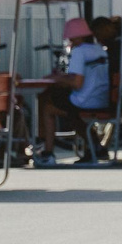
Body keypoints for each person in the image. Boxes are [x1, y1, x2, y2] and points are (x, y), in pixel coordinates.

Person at [44, 16, 112, 165]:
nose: (70, 42)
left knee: (49, 106)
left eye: (71, 38)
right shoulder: (101, 50)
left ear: (77, 37)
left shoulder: (79, 52)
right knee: (70, 111)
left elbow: (77, 83)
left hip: (84, 101)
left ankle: (48, 152)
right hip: (103, 99)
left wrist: (58, 78)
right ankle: (95, 146)